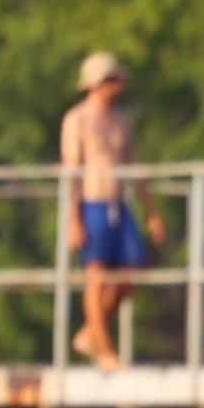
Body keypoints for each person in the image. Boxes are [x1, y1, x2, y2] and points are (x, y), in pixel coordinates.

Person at [61, 52, 166, 372]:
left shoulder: (121, 120)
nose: (118, 85)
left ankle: (91, 332)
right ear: (97, 83)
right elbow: (72, 170)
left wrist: (151, 212)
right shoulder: (77, 119)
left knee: (131, 275)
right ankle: (104, 348)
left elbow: (134, 166)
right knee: (96, 277)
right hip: (91, 203)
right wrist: (73, 217)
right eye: (111, 79)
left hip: (119, 204)